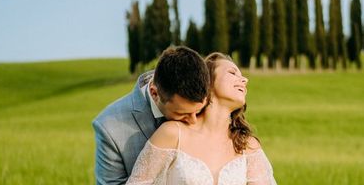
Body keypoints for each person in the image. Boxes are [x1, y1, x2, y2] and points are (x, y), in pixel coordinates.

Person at [126, 52, 277, 185]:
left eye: (241, 75)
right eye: (232, 73)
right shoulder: (172, 134)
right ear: (208, 82)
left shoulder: (247, 146)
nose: (244, 80)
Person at [93, 46, 210, 185]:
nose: (193, 121)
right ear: (155, 94)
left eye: (198, 111)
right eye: (182, 113)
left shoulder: (211, 99)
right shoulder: (109, 128)